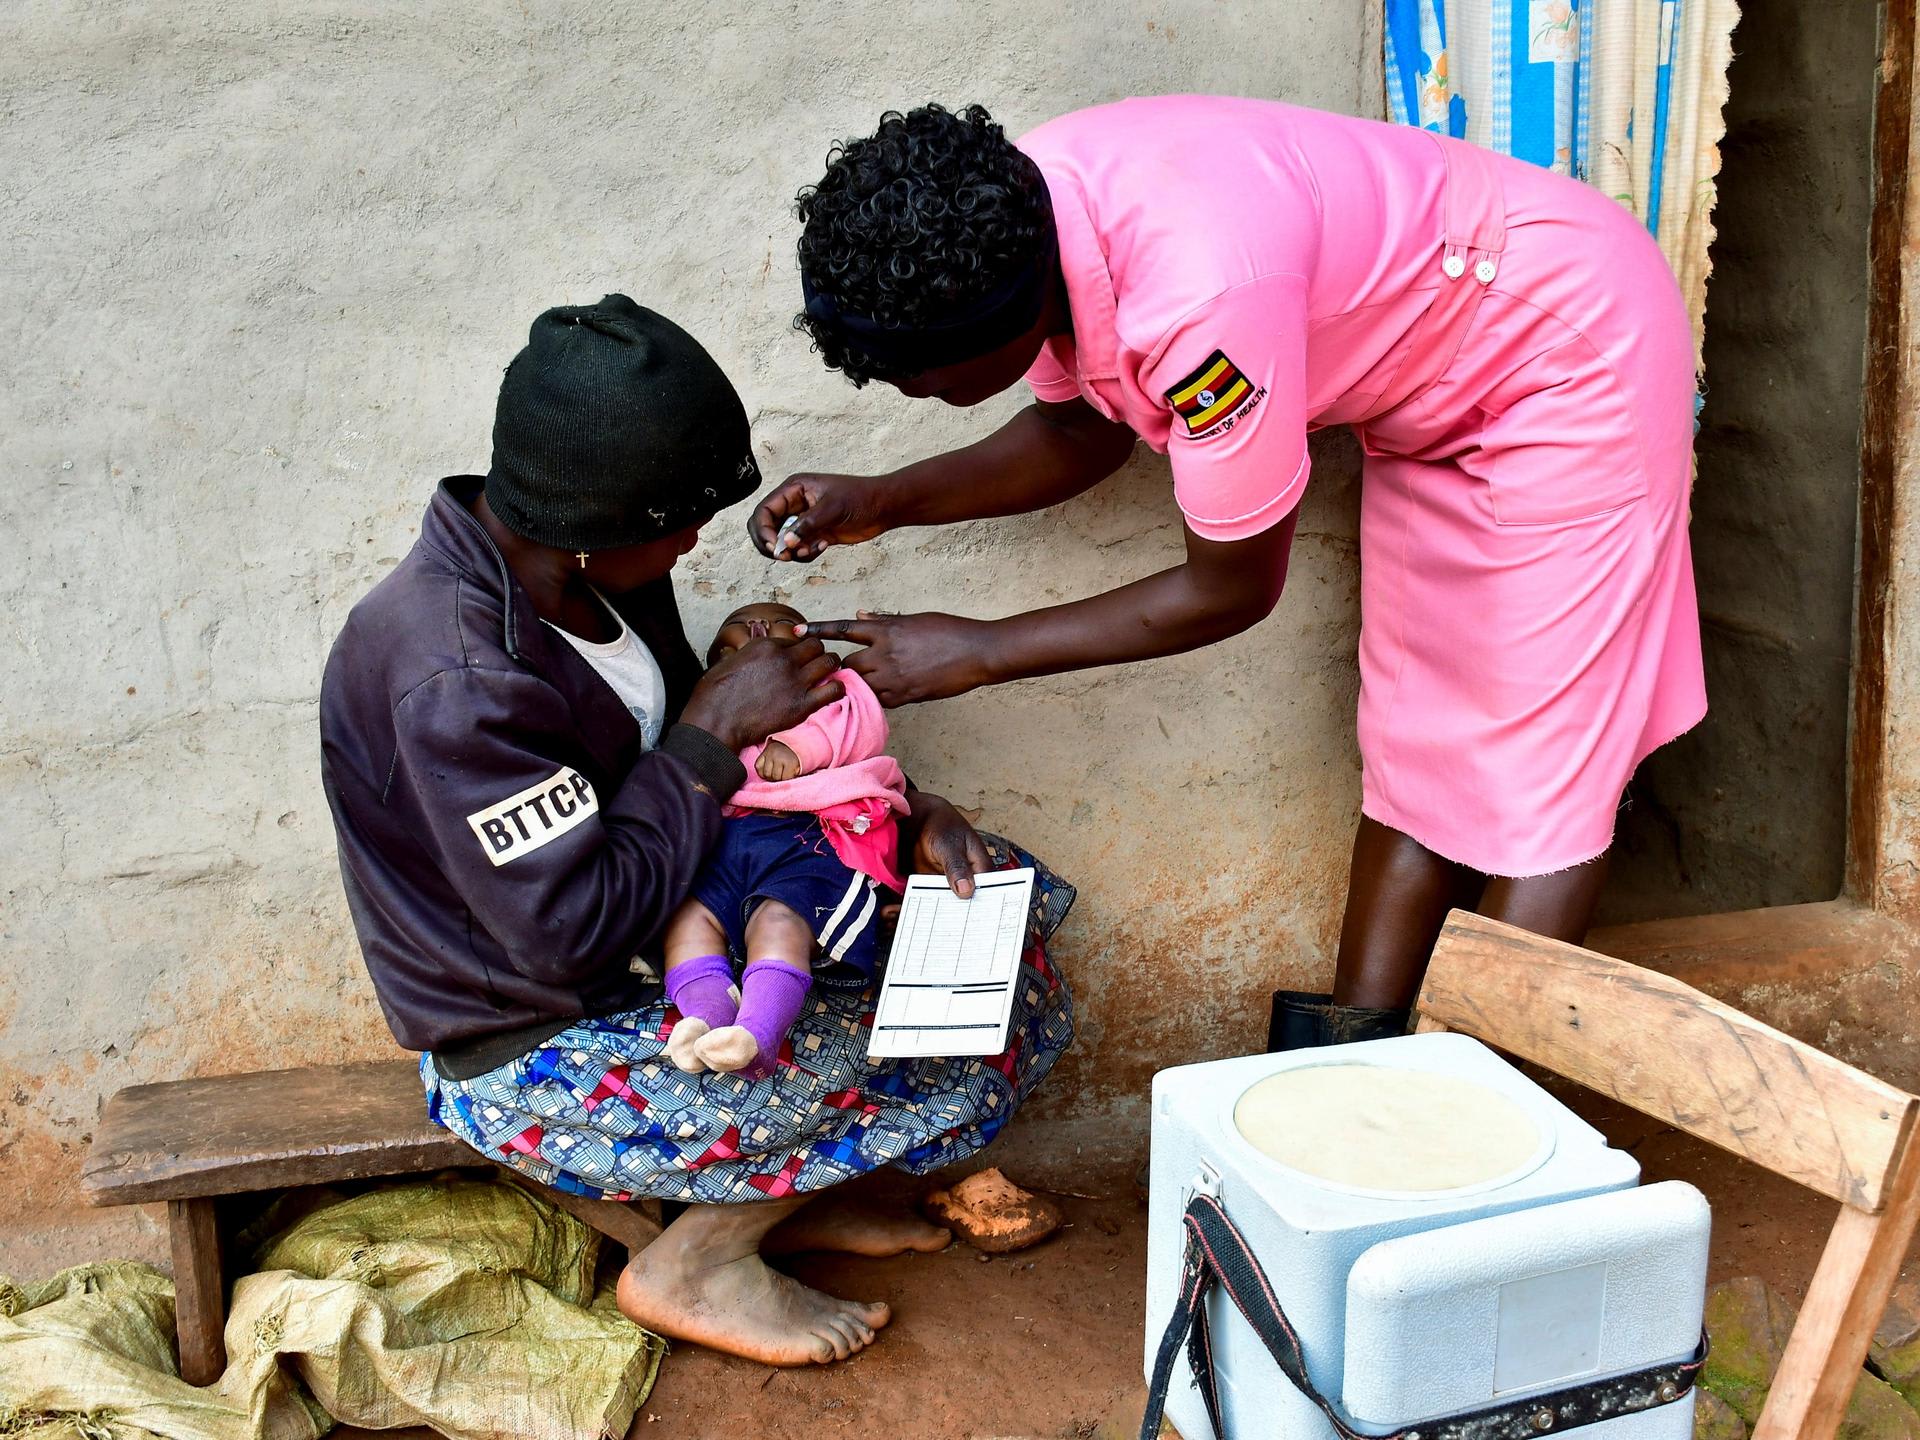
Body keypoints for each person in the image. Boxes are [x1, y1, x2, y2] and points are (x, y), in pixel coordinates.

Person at [757, 99, 1705, 1046]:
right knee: (1417, 731)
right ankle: (1346, 1065)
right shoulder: (1014, 208)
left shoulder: (1201, 310)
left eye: (918, 378)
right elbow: (1074, 430)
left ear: (1001, 328)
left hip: (1562, 348)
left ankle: (1481, 1117)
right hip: (1432, 394)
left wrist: (978, 651)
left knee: (1550, 767)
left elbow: (1232, 588)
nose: (907, 393)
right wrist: (886, 499)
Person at [319, 294, 1075, 1366]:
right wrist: (713, 730)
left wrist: (907, 816)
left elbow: (742, 800)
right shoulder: (454, 677)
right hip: (540, 1047)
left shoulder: (593, 582)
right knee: (966, 1031)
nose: (695, 543)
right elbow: (569, 931)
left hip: (677, 935)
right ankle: (698, 1262)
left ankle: (790, 1197)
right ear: (590, 527)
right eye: (678, 522)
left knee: (998, 913)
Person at [662, 601, 907, 1078]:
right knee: (686, 918)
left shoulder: (834, 691)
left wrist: (801, 747)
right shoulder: (707, 708)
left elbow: (859, 725)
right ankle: (704, 1016)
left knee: (781, 917)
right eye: (734, 633)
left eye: (774, 624)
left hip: (803, 841)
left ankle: (757, 1033)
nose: (754, 629)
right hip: (725, 842)